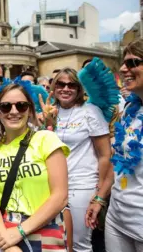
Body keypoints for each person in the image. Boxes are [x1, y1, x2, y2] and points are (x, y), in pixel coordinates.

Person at [0, 83, 69, 252]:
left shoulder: (46, 139)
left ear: (30, 110)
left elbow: (60, 196)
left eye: (21, 105)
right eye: (5, 107)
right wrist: (4, 238)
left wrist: (20, 231)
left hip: (44, 227)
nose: (14, 111)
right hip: (5, 231)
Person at [47, 68, 112, 252]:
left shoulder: (90, 111)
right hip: (52, 187)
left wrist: (99, 193)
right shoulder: (49, 112)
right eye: (60, 84)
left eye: (71, 85)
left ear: (78, 88)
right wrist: (46, 123)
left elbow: (105, 155)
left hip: (81, 186)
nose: (65, 89)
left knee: (79, 244)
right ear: (54, 87)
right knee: (57, 240)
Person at [106, 38, 143, 252]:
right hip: (117, 217)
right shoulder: (130, 109)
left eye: (132, 62)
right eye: (123, 62)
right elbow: (117, 159)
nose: (122, 69)